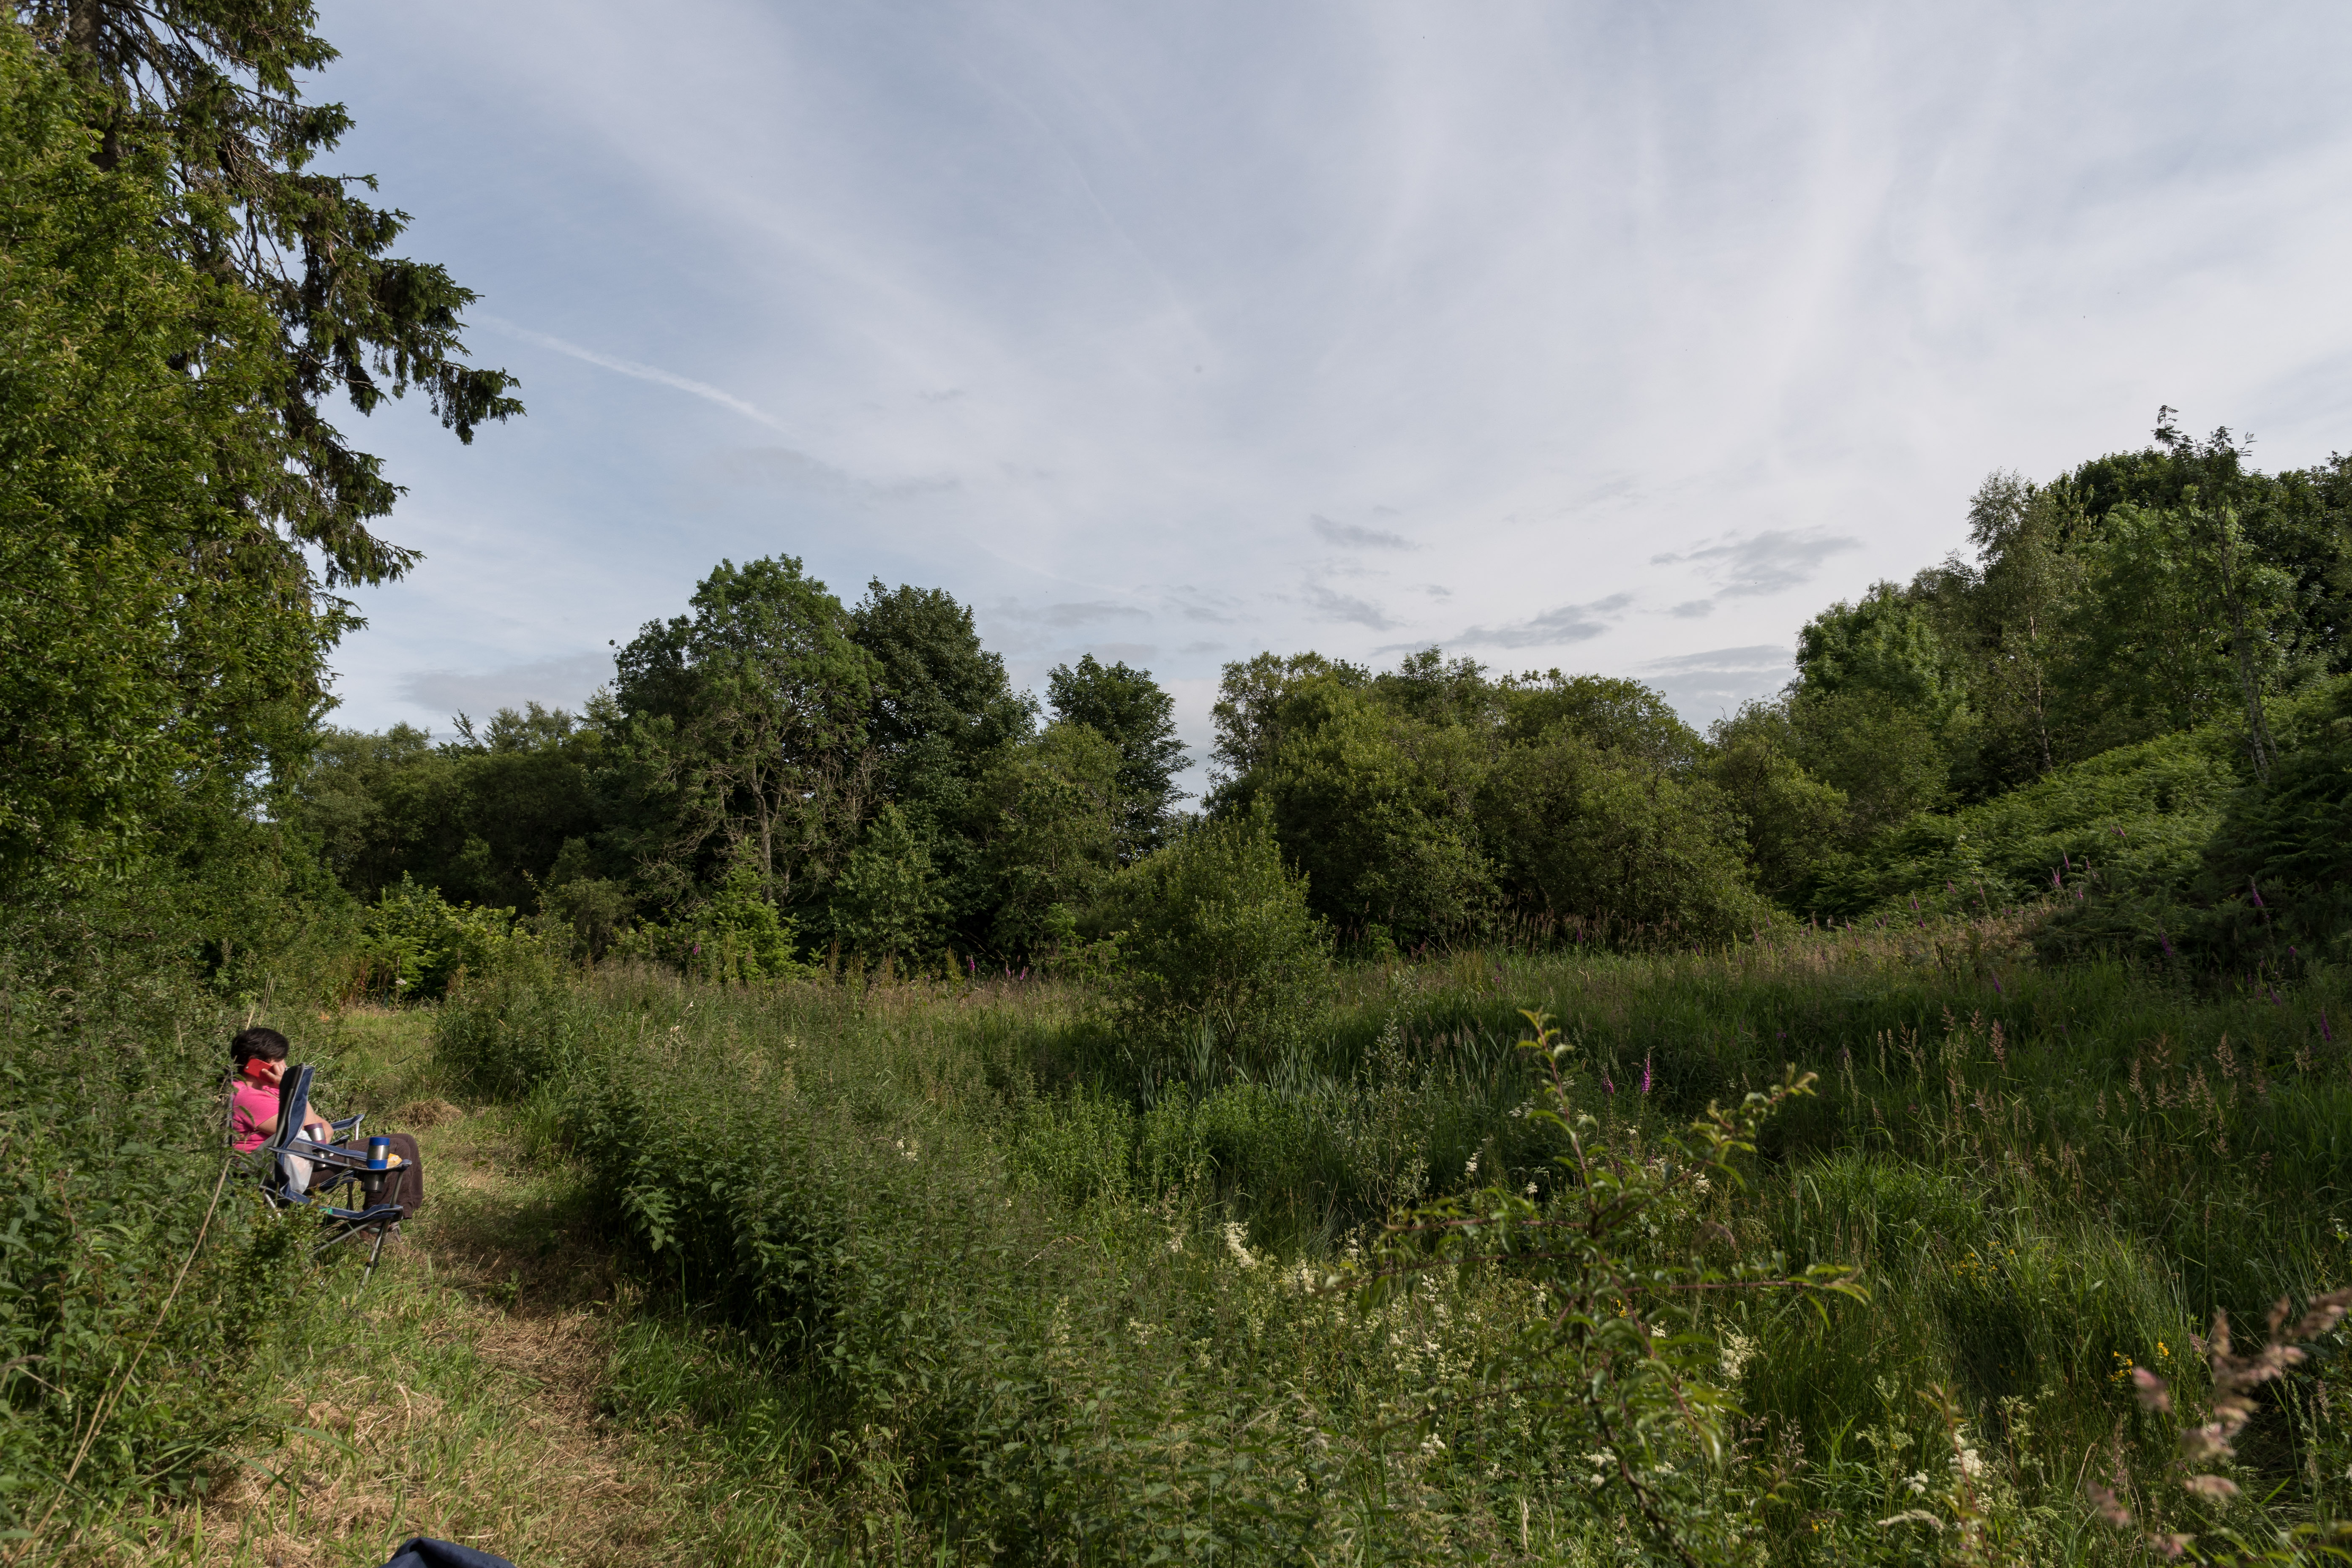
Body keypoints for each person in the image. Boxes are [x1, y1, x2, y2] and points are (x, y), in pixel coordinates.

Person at [229, 1026, 333, 1153]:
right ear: (255, 1064)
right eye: (278, 1061)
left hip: (298, 1163)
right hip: (271, 1170)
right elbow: (313, 1141)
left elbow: (318, 1130)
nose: (284, 1066)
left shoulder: (270, 1089)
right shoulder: (248, 1097)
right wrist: (295, 1092)